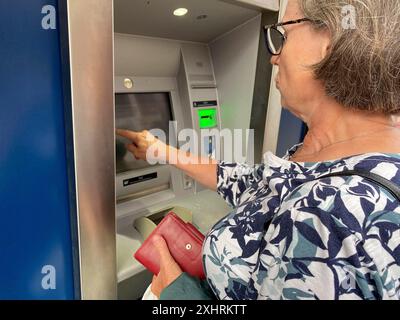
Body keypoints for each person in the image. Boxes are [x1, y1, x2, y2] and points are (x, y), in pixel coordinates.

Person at [117, 0, 400, 300]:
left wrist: (176, 293)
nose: (273, 58)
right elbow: (249, 184)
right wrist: (161, 150)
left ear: (328, 43)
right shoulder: (332, 156)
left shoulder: (326, 217)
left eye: (284, 36)